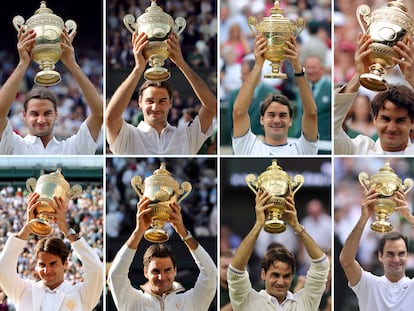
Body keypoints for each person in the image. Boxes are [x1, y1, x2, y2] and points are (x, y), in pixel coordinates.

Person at [106, 31, 217, 155]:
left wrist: (181, 63)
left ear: (170, 103)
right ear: (140, 102)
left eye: (162, 101)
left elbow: (211, 107)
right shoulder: (127, 136)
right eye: (150, 101)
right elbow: (111, 118)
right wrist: (138, 69)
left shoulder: (186, 136)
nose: (155, 107)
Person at [0, 28, 103, 155]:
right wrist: (23, 63)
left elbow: (99, 113)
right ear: (24, 116)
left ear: (56, 114)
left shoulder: (73, 148)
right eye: (34, 114)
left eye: (47, 113)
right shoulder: (12, 145)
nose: (41, 120)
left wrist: (72, 64)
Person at [107, 196, 217, 311]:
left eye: (167, 270)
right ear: (145, 272)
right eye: (155, 271)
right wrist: (139, 231)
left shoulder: (191, 301)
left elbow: (210, 274)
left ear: (175, 271)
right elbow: (116, 275)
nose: (161, 277)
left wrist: (184, 233)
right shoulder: (133, 301)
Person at [227, 189, 330, 310]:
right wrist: (259, 224)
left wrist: (296, 225)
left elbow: (322, 265)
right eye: (275, 275)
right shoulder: (248, 301)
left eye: (286, 276)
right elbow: (235, 271)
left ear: (292, 277)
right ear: (263, 274)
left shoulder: (305, 302)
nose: (281, 282)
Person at [0, 192, 104, 311]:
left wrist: (66, 230)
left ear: (65, 263)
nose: (46, 270)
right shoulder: (24, 291)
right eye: (42, 265)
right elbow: (3, 268)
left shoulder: (81, 295)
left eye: (53, 264)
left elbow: (96, 269)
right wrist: (28, 227)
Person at [232, 34, 318, 155]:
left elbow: (311, 113)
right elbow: (239, 112)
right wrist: (258, 66)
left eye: (283, 115)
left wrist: (298, 68)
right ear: (262, 119)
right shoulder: (248, 146)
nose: (276, 120)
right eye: (271, 115)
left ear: (290, 121)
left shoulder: (303, 149)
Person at [334, 32, 414, 154]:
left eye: (400, 120)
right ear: (375, 119)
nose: (392, 128)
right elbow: (333, 127)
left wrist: (412, 79)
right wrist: (359, 74)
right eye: (385, 119)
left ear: (412, 123)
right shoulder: (359, 149)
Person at [339, 187, 414, 310]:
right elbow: (346, 261)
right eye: (390, 254)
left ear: (407, 255)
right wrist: (364, 219)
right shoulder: (369, 284)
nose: (396, 259)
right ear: (380, 256)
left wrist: (410, 217)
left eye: (401, 254)